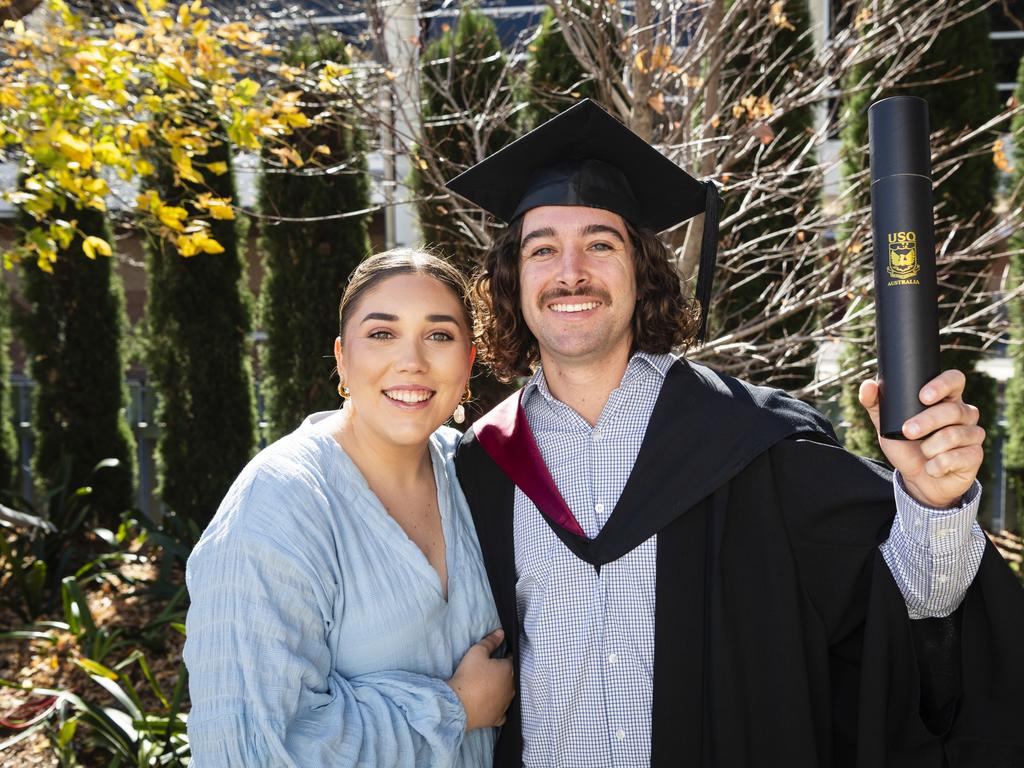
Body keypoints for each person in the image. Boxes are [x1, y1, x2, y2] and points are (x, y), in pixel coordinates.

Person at [448, 100, 1024, 767]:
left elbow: (911, 613)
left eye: (600, 244)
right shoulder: (478, 470)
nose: (570, 270)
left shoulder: (753, 446)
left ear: (642, 269)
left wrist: (933, 502)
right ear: (514, 280)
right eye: (542, 248)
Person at [183, 249, 514, 767]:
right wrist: (454, 707)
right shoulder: (281, 503)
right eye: (382, 333)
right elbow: (249, 750)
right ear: (342, 357)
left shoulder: (474, 474)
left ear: (469, 360)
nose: (412, 361)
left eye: (440, 335)